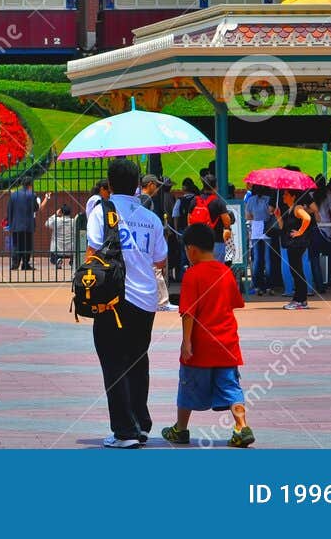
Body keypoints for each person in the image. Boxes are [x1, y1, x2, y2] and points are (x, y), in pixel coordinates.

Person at [87, 159, 167, 448]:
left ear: (109, 184)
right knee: (137, 360)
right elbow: (160, 260)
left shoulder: (101, 211)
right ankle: (140, 423)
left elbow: (92, 254)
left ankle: (124, 431)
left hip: (113, 299)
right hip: (146, 300)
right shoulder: (150, 218)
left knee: (113, 362)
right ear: (137, 185)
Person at [163, 223, 254, 448]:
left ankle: (180, 429)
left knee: (188, 386)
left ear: (191, 249)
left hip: (200, 346)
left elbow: (188, 313)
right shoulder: (225, 272)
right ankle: (242, 426)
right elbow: (234, 303)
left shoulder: (192, 275)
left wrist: (186, 342)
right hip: (227, 344)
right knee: (232, 388)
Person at [141, 174, 175, 310]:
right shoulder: (146, 200)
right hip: (147, 241)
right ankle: (162, 302)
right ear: (150, 185)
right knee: (156, 271)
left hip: (143, 241)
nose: (157, 189)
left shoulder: (140, 198)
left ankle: (158, 301)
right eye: (156, 186)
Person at [278, 189, 312, 310]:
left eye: (286, 194)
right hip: (292, 244)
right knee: (295, 271)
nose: (283, 196)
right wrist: (278, 216)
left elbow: (307, 218)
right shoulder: (290, 209)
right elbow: (283, 227)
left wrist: (300, 232)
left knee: (297, 271)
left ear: (293, 196)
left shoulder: (297, 208)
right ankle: (299, 299)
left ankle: (300, 299)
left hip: (297, 244)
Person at [6, 181, 41, 270]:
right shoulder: (32, 195)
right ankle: (25, 264)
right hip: (28, 224)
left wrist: (10, 223)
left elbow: (9, 209)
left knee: (16, 244)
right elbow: (36, 208)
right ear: (30, 185)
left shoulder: (14, 195)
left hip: (16, 224)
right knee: (27, 245)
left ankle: (15, 264)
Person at [45, 204, 78, 270]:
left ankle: (57, 260)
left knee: (52, 256)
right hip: (70, 248)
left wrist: (55, 214)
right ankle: (73, 262)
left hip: (57, 248)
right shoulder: (73, 221)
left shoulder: (57, 220)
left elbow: (47, 224)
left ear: (61, 212)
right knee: (75, 251)